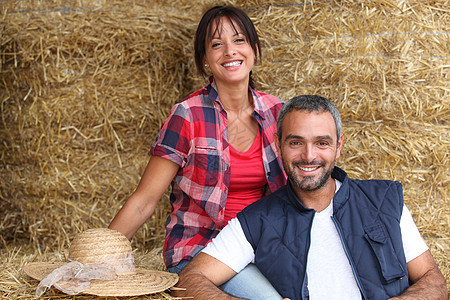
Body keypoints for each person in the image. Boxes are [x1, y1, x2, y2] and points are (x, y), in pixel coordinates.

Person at [173, 95, 447, 300]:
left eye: (321, 143)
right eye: (296, 142)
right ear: (279, 146)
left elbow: (433, 281)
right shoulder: (256, 220)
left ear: (338, 147)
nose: (308, 156)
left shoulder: (384, 200)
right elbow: (189, 280)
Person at [108, 5, 286, 299]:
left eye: (239, 40)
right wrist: (95, 261)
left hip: (262, 246)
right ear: (205, 60)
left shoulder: (277, 112)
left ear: (254, 50)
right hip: (201, 249)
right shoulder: (187, 115)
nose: (230, 51)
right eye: (217, 44)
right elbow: (144, 200)